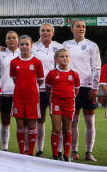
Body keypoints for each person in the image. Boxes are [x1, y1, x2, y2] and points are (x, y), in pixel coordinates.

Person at [62, 19, 101, 161]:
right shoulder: (66, 45)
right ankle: (74, 151)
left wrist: (95, 86)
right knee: (73, 122)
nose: (82, 28)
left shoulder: (92, 45)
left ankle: (89, 152)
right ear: (72, 29)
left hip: (88, 88)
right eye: (78, 26)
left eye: (83, 26)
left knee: (90, 121)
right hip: (71, 88)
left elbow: (96, 66)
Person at [11, 35, 44, 156]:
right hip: (19, 97)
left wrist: (30, 87)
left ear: (31, 45)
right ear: (18, 46)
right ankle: (21, 152)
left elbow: (40, 80)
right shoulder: (14, 62)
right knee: (20, 125)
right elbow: (15, 79)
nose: (24, 47)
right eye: (22, 44)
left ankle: (30, 152)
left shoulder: (37, 62)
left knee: (31, 125)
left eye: (27, 44)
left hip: (32, 98)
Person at [31, 22, 62, 156]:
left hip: (56, 90)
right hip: (39, 90)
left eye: (48, 30)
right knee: (40, 119)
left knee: (58, 121)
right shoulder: (33, 48)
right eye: (43, 30)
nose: (45, 32)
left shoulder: (59, 47)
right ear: (39, 33)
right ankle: (40, 150)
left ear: (53, 33)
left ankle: (59, 151)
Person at [46, 48, 78, 161]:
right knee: (56, 129)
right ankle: (55, 155)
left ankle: (66, 155)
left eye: (66, 56)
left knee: (67, 129)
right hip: (56, 102)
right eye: (62, 56)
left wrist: (69, 97)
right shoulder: (51, 74)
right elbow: (48, 89)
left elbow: (76, 90)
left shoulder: (74, 74)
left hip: (69, 103)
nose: (65, 58)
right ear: (56, 59)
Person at [0, 31, 20, 151]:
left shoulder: (25, 53)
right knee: (5, 122)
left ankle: (24, 150)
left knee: (22, 123)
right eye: (9, 38)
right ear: (6, 41)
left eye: (14, 38)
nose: (11, 40)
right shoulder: (0, 55)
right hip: (5, 92)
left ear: (18, 40)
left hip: (21, 94)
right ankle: (4, 149)